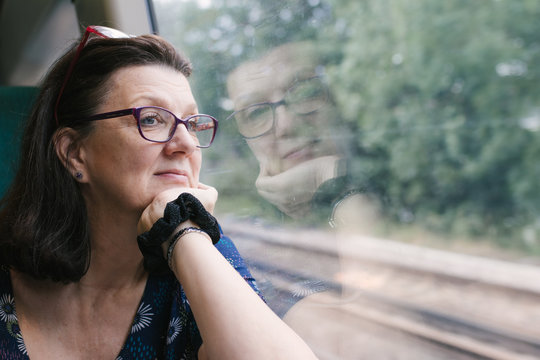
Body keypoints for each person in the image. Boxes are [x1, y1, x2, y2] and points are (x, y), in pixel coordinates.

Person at [0, 25, 317, 359]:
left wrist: (181, 226)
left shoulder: (201, 256)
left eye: (192, 124)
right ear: (75, 153)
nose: (185, 145)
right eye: (151, 119)